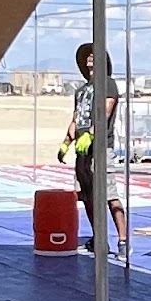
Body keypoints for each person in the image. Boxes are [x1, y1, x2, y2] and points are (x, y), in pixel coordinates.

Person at [60, 40, 126, 253]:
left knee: (109, 195)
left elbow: (105, 111)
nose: (89, 59)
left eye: (93, 56)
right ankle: (99, 238)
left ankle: (123, 240)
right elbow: (76, 118)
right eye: (87, 56)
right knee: (87, 196)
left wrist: (91, 134)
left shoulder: (107, 83)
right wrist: (66, 143)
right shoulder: (81, 91)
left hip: (100, 149)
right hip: (82, 151)